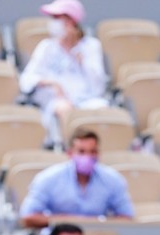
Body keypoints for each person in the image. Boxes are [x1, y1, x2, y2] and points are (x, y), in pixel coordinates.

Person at [18, 0, 108, 142]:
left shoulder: (91, 46)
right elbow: (26, 79)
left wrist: (82, 60)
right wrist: (52, 83)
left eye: (57, 18)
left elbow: (99, 86)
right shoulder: (46, 47)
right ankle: (71, 147)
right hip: (55, 101)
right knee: (64, 108)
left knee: (104, 109)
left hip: (86, 100)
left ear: (71, 21)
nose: (54, 23)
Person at [20, 128, 134, 229]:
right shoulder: (48, 178)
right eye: (81, 151)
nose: (87, 156)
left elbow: (127, 218)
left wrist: (96, 224)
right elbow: (28, 217)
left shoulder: (113, 179)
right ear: (70, 153)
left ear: (98, 154)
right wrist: (66, 222)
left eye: (92, 152)